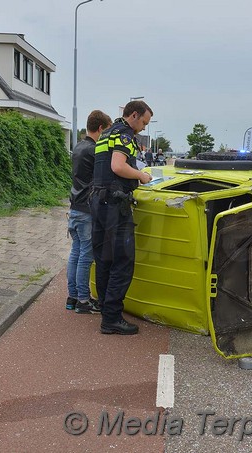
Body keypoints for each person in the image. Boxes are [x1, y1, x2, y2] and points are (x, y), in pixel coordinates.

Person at [91, 100, 153, 335]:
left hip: (97, 201)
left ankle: (106, 309)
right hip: (115, 205)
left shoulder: (106, 134)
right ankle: (112, 318)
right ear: (134, 115)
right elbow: (118, 166)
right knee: (123, 262)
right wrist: (141, 176)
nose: (144, 128)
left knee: (104, 259)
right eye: (144, 122)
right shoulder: (125, 136)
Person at [66, 110, 112, 313]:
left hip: (75, 207)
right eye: (107, 131)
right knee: (86, 256)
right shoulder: (94, 151)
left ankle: (72, 298)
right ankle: (84, 300)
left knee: (75, 254)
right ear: (101, 128)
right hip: (86, 210)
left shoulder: (78, 147)